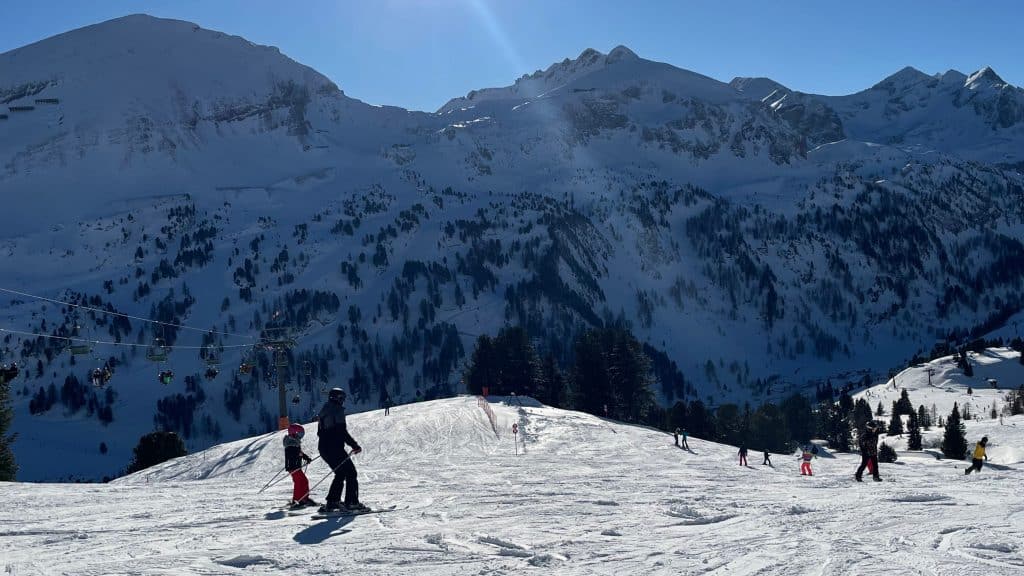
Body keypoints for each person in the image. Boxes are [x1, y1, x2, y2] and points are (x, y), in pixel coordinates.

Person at [317, 388, 366, 512]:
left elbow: (320, 432)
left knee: (340, 473)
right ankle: (352, 502)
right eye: (341, 398)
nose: (343, 401)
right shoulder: (337, 411)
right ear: (336, 398)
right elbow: (342, 432)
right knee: (351, 473)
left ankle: (332, 502)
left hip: (323, 448)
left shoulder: (324, 411)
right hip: (335, 449)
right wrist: (354, 446)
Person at [283, 423, 317, 507]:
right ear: (294, 433)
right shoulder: (290, 443)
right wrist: (299, 455)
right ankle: (297, 500)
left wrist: (305, 457)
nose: (301, 436)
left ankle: (303, 498)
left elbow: (299, 452)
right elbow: (292, 454)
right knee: (299, 482)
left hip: (295, 466)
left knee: (303, 481)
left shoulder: (294, 442)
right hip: (293, 467)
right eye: (300, 434)